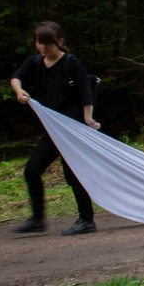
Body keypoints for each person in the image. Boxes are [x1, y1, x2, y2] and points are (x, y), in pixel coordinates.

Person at [9, 21, 100, 236]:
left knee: (72, 174)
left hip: (73, 129)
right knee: (32, 171)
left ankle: (87, 220)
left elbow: (86, 93)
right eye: (39, 43)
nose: (42, 47)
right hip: (53, 131)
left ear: (59, 42)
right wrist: (18, 91)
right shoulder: (35, 63)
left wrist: (88, 120)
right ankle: (37, 220)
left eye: (48, 44)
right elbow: (16, 77)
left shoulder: (71, 63)